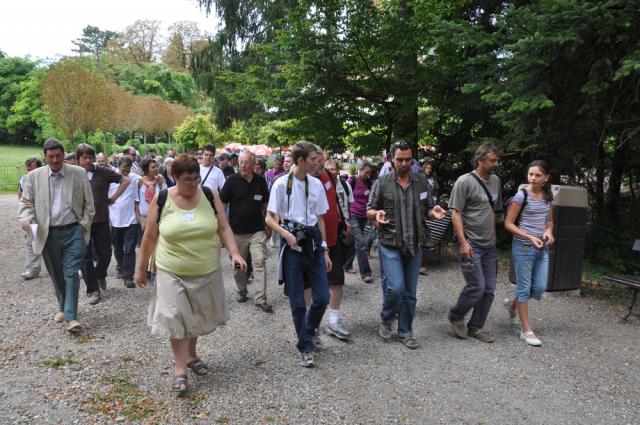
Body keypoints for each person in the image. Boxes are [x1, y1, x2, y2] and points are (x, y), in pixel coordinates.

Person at [135, 154, 247, 397]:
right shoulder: (162, 198)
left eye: (196, 178)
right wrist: (141, 268)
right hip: (171, 269)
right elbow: (150, 236)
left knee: (194, 316)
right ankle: (180, 369)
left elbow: (224, 227)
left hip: (205, 269)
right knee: (176, 317)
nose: (193, 184)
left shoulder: (209, 194)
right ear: (175, 177)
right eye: (187, 179)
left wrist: (234, 253)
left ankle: (192, 355)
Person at [367, 141, 446, 349]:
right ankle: (386, 317)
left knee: (410, 293)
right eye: (399, 159)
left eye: (408, 159)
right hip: (390, 243)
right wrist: (376, 214)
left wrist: (433, 213)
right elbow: (369, 210)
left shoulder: (421, 182)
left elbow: (428, 208)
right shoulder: (382, 182)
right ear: (391, 160)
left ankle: (406, 331)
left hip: (415, 244)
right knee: (395, 288)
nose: (404, 163)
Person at [18, 139, 95, 332]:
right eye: (50, 157)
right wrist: (27, 218)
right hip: (47, 233)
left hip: (73, 231)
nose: (54, 160)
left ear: (64, 154)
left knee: (71, 273)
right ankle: (63, 305)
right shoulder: (34, 177)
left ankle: (71, 317)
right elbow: (26, 202)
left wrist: (83, 226)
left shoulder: (78, 173)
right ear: (45, 157)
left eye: (58, 156)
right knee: (56, 274)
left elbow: (89, 204)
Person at [266, 141, 331, 368]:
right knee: (297, 302)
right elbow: (269, 218)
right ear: (301, 160)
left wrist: (325, 249)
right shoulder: (281, 184)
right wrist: (285, 234)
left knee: (322, 297)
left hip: (313, 241)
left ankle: (310, 328)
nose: (317, 163)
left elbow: (321, 219)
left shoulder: (317, 184)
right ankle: (305, 346)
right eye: (313, 159)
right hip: (292, 243)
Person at [448, 143, 502, 343]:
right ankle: (456, 315)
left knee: (488, 290)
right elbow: (455, 213)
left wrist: (494, 238)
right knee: (476, 287)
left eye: (497, 160)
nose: (496, 164)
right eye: (492, 160)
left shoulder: (496, 181)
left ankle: (476, 327)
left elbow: (492, 212)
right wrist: (463, 242)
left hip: (490, 245)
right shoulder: (465, 181)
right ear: (480, 160)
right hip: (471, 243)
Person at [503, 160, 555, 346]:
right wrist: (530, 237)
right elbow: (508, 224)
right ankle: (526, 330)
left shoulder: (548, 196)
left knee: (539, 288)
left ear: (546, 178)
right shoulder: (521, 196)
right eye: (530, 174)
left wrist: (548, 231)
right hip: (523, 247)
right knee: (524, 289)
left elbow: (549, 221)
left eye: (537, 175)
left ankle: (512, 303)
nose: (532, 178)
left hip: (542, 248)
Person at [220, 151, 273, 312]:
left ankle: (260, 299)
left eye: (246, 162)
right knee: (238, 267)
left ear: (253, 164)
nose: (242, 165)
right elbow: (222, 207)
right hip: (236, 232)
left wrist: (269, 225)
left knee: (259, 261)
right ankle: (242, 291)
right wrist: (222, 230)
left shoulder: (260, 182)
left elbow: (266, 205)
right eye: (240, 162)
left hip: (257, 231)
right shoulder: (231, 181)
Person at [77, 143, 130, 303]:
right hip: (82, 222)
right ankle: (93, 291)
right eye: (84, 157)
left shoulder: (103, 172)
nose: (87, 160)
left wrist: (113, 198)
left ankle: (100, 274)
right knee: (85, 257)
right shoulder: (74, 174)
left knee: (105, 254)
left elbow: (125, 180)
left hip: (101, 220)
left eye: (89, 157)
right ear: (78, 158)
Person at [323, 159, 353, 340]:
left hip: (333, 238)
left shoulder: (331, 182)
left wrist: (344, 220)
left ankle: (334, 320)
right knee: (311, 282)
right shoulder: (309, 180)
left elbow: (336, 204)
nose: (331, 172)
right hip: (313, 239)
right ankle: (309, 324)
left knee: (336, 278)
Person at [109, 156, 140, 288]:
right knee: (118, 247)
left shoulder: (134, 177)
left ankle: (128, 276)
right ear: (118, 166)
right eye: (123, 170)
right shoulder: (110, 178)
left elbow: (147, 180)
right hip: (115, 218)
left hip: (131, 219)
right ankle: (120, 267)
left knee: (130, 248)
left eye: (128, 170)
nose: (126, 173)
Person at [345, 160, 375, 283]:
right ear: (359, 170)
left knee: (354, 242)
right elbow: (344, 199)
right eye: (366, 172)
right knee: (361, 243)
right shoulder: (350, 182)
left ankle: (346, 265)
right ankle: (366, 273)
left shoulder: (368, 182)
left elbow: (371, 199)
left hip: (364, 215)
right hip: (353, 214)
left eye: (370, 173)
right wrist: (345, 217)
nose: (368, 175)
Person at [18, 158, 43, 280]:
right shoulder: (24, 179)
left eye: (32, 170)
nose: (29, 173)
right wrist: (24, 214)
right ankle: (33, 268)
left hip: (48, 216)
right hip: (32, 215)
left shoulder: (47, 179)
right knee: (31, 240)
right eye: (28, 170)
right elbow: (21, 195)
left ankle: (65, 268)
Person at [420, 161, 440, 275]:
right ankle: (419, 264)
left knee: (426, 232)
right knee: (422, 234)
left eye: (430, 168)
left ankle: (419, 262)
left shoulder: (433, 179)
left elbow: (435, 192)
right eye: (426, 168)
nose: (428, 170)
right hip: (421, 210)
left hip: (430, 206)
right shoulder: (420, 179)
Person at [137, 158, 167, 233]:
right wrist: (138, 218)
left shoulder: (160, 180)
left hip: (158, 217)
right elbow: (136, 200)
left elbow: (166, 196)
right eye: (153, 167)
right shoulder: (140, 181)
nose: (156, 169)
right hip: (144, 217)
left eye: (156, 166)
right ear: (146, 170)